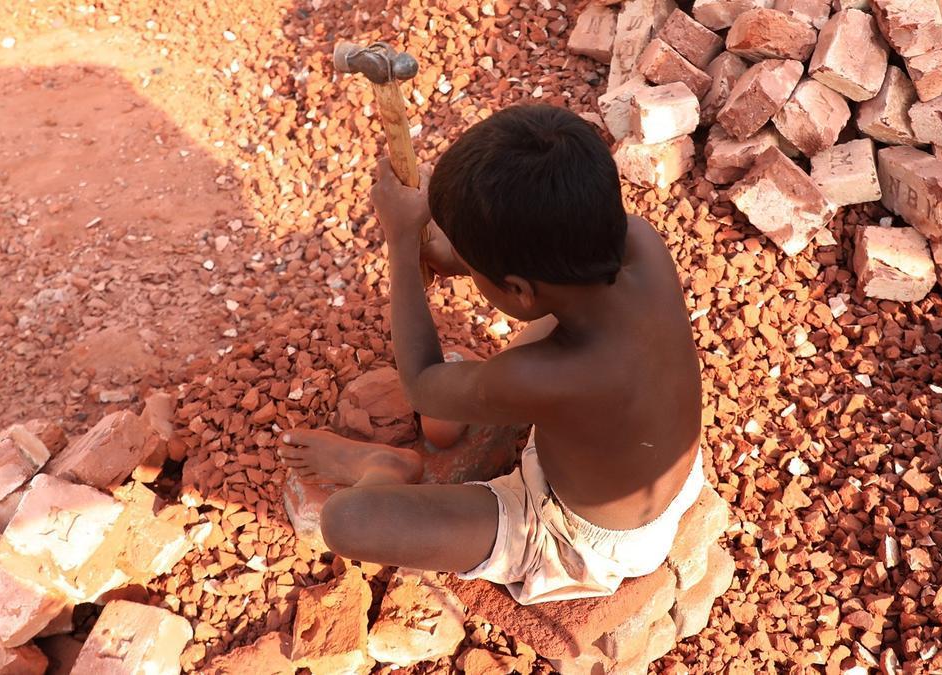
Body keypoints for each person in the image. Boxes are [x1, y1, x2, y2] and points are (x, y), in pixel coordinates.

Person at [278, 104, 704, 604]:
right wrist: (459, 256)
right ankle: (470, 408)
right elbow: (548, 253)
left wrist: (400, 244)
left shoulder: (544, 376)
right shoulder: (639, 242)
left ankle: (383, 469)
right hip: (658, 470)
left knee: (346, 521)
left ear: (519, 291)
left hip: (585, 538)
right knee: (507, 371)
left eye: (476, 267)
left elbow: (421, 385)